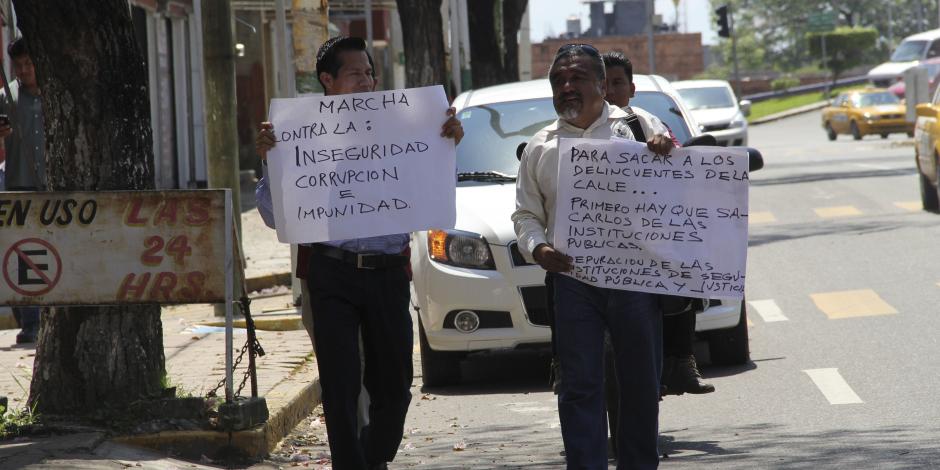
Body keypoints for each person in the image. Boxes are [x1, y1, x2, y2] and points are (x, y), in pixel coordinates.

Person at [255, 36, 463, 470]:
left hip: (387, 272)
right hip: (332, 273)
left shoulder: (403, 126)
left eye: (369, 73)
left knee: (395, 386)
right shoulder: (299, 133)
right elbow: (277, 217)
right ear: (328, 80)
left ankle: (373, 455)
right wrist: (272, 161)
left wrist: (445, 143)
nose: (366, 82)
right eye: (355, 74)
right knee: (341, 383)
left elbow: (431, 188)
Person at [513, 43, 673, 469]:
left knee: (640, 385)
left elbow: (682, 185)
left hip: (635, 281)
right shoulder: (540, 147)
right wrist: (539, 248)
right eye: (558, 80)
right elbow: (526, 215)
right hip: (573, 284)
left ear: (601, 85)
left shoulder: (639, 127)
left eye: (577, 78)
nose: (567, 87)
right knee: (580, 386)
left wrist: (667, 149)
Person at [602, 51, 714, 397]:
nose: (609, 91)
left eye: (617, 83)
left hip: (649, 237)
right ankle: (562, 364)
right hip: (595, 243)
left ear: (631, 89)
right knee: (555, 280)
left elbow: (682, 166)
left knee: (682, 269)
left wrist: (666, 147)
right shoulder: (571, 129)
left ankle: (681, 361)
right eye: (601, 84)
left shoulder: (648, 122)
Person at [0, 37, 43, 345]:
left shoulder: (56, 93)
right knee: (24, 257)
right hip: (19, 185)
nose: (24, 71)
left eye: (28, 64)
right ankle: (30, 322)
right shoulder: (6, 98)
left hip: (52, 187)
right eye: (19, 65)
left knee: (53, 254)